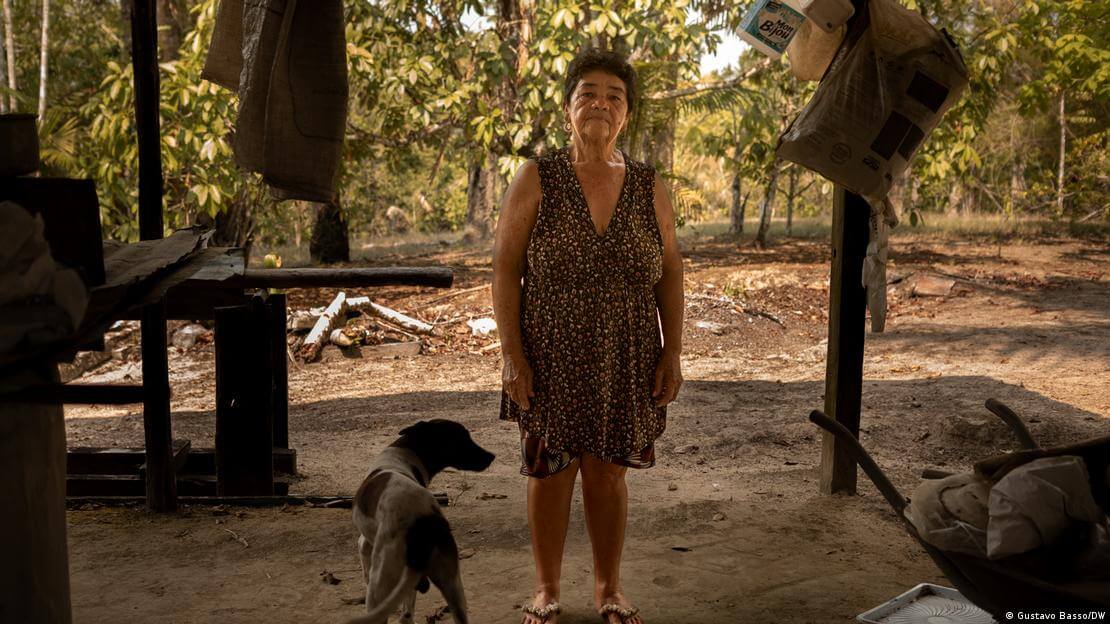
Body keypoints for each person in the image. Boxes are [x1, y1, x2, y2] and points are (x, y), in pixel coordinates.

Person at [492, 48, 685, 624]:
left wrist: (672, 351)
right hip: (550, 350)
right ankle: (546, 590)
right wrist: (511, 356)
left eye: (614, 96)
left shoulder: (650, 186)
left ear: (627, 114)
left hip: (625, 352)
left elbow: (671, 270)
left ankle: (608, 590)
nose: (600, 103)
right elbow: (505, 268)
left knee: (608, 472)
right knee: (549, 470)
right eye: (588, 94)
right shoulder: (538, 176)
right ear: (568, 107)